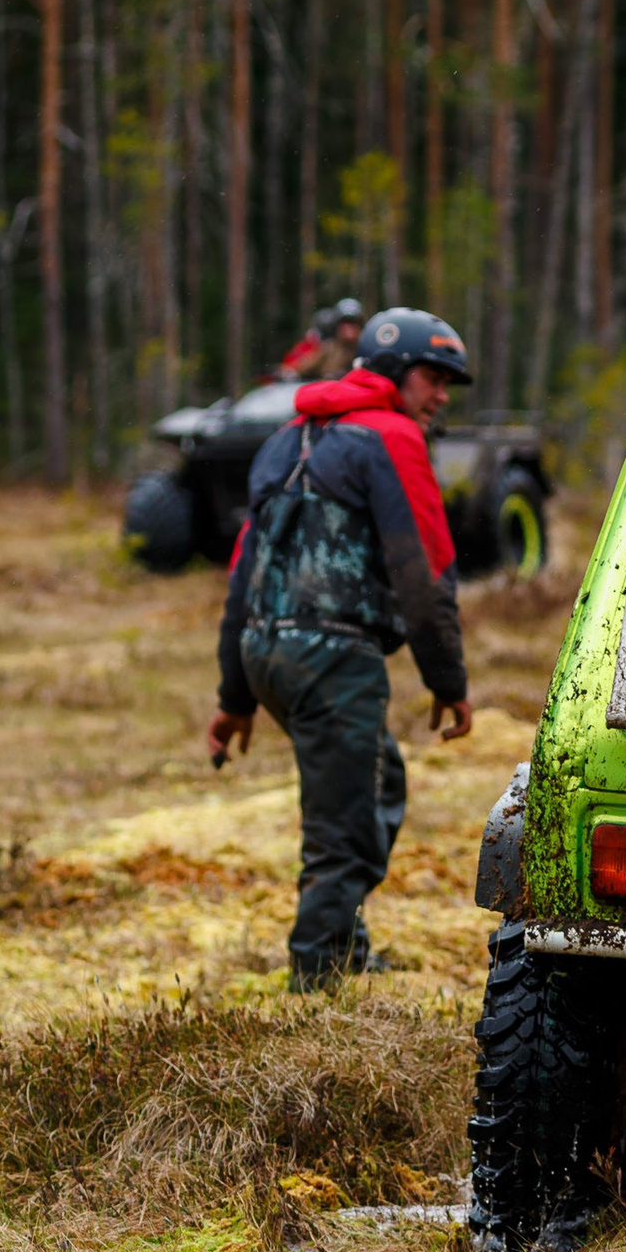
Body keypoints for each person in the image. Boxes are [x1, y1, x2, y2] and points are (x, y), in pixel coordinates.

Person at [207, 308, 476, 991]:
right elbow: (424, 572)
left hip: (267, 651)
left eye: (448, 381)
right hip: (331, 658)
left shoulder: (285, 441)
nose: (441, 393)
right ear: (390, 371)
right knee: (344, 827)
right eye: (432, 376)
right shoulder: (390, 439)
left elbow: (245, 570)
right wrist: (448, 680)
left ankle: (344, 944)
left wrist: (235, 696)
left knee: (376, 782)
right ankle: (317, 979)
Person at [277, 298, 364, 379]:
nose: (349, 327)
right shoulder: (328, 349)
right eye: (344, 322)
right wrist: (289, 371)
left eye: (353, 322)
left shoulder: (366, 348)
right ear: (337, 326)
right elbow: (304, 367)